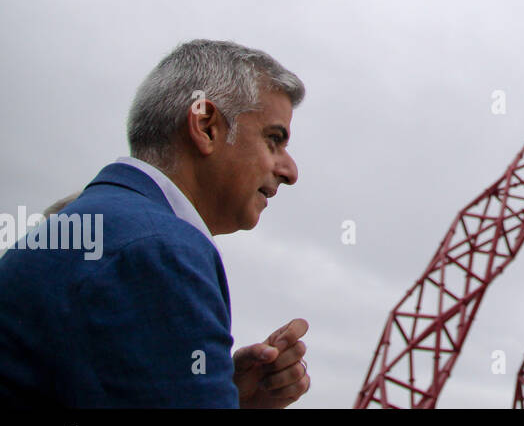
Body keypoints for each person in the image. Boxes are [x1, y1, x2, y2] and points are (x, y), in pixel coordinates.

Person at [0, 39, 311, 407]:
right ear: (206, 126)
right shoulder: (158, 250)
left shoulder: (96, 225)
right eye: (274, 139)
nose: (290, 172)